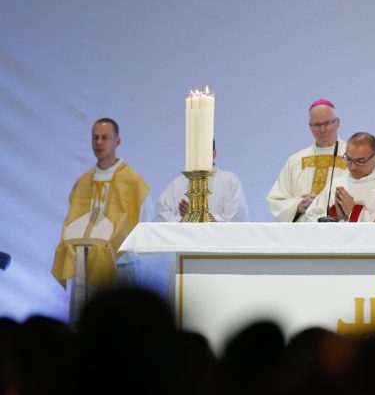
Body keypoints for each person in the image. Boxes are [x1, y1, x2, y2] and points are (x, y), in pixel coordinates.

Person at [51, 118, 152, 291]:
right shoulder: (83, 181)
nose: (98, 142)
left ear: (117, 141)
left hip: (120, 268)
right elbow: (72, 222)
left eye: (104, 137)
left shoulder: (133, 182)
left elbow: (146, 223)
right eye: (95, 137)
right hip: (84, 269)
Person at [267, 99, 348, 222]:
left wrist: (325, 205)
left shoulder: (353, 158)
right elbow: (276, 201)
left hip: (339, 233)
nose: (322, 130)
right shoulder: (296, 161)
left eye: (326, 123)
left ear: (337, 123)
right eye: (317, 125)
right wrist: (298, 205)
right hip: (302, 234)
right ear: (310, 126)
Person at [304, 132, 375, 222]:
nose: (352, 166)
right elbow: (309, 218)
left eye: (360, 161)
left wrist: (354, 211)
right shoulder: (336, 184)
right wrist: (335, 215)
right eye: (348, 159)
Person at [154, 140, 248, 222]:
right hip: (184, 240)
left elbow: (235, 218)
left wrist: (198, 218)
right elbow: (161, 214)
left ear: (214, 154)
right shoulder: (178, 183)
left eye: (204, 150)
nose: (199, 154)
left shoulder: (230, 181)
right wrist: (183, 219)